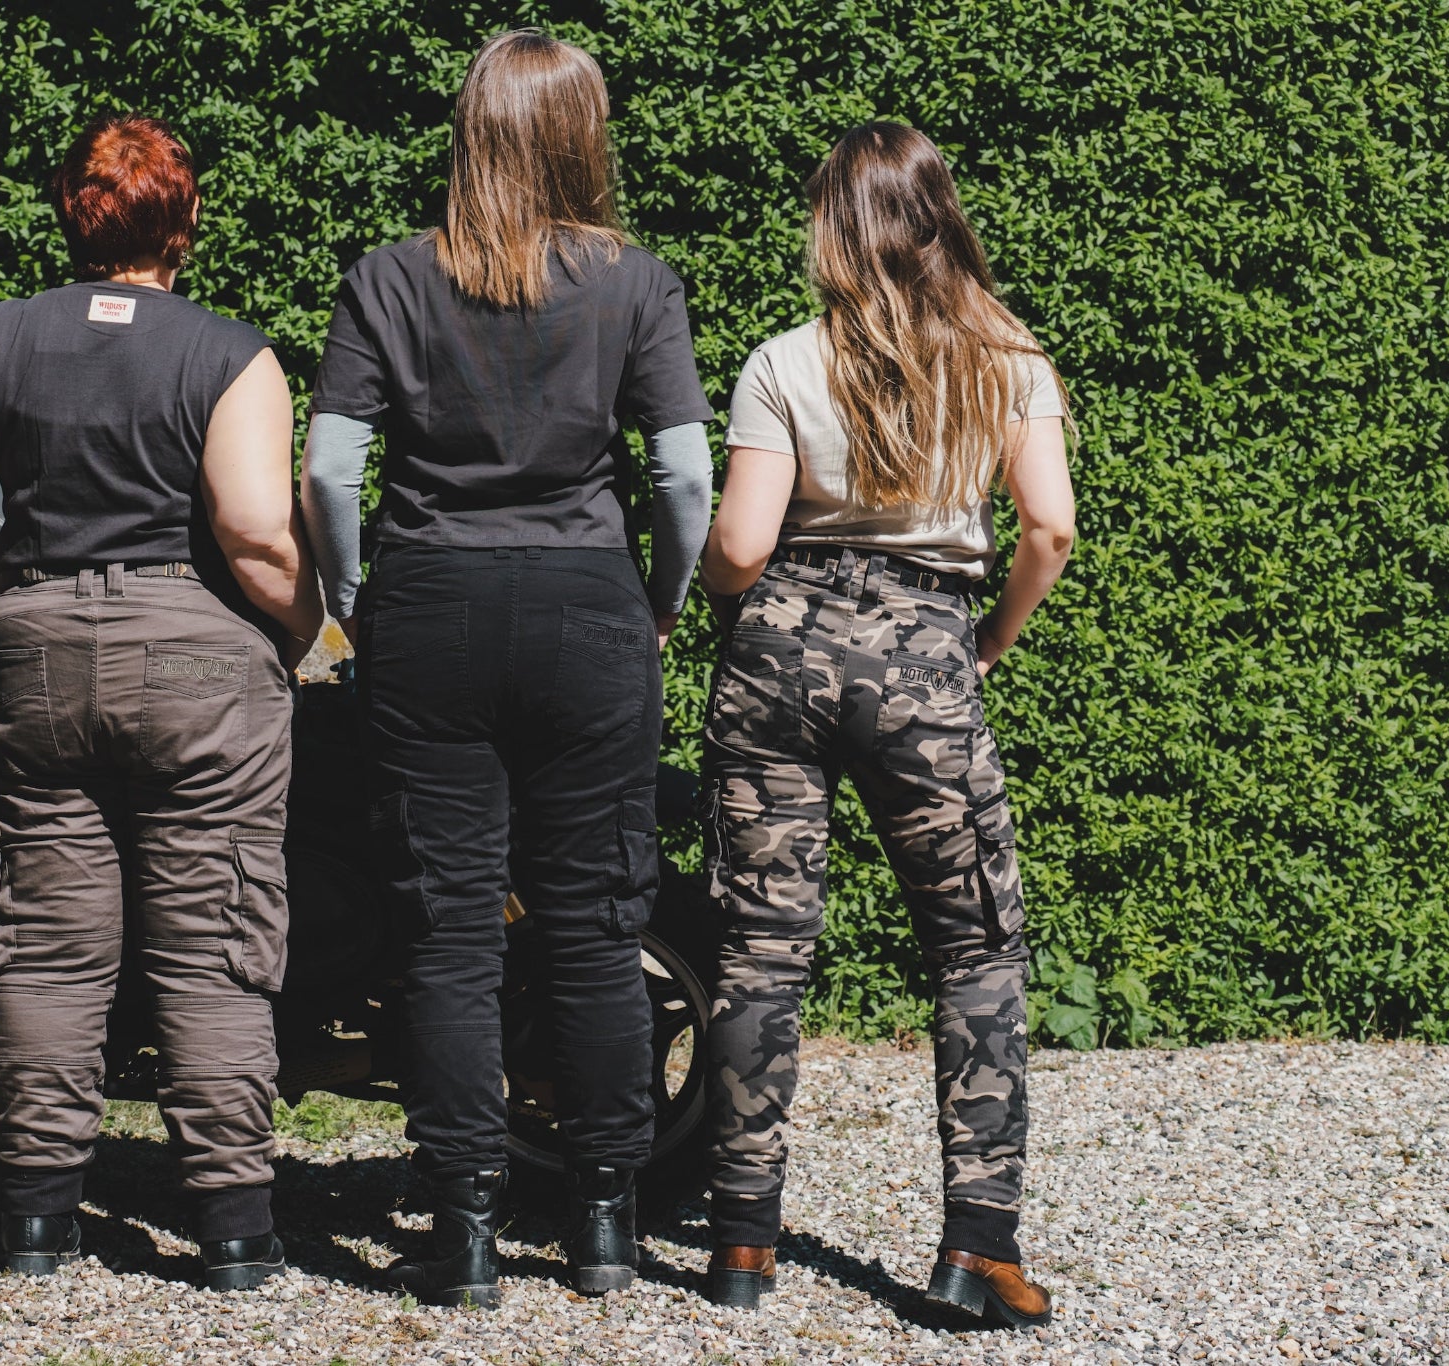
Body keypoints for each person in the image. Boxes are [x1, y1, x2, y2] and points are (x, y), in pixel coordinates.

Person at [302, 30, 714, 1306]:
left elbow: (326, 470)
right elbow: (684, 478)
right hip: (590, 612)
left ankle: (465, 1226)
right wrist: (654, 601)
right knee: (596, 927)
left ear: (470, 133)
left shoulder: (388, 277)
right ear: (582, 136)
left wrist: (355, 600)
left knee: (444, 928)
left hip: (429, 610)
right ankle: (600, 1224)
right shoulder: (636, 284)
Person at [0, 114, 323, 1285]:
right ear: (181, 222)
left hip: (36, 648)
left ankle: (36, 1219)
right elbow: (253, 533)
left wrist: (3, 638)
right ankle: (235, 1229)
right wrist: (300, 631)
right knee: (213, 943)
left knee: (44, 946)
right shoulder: (230, 353)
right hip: (199, 665)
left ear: (71, 216)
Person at [697, 121, 1076, 1327]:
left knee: (759, 951)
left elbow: (741, 547)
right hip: (925, 646)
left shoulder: (779, 360)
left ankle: (740, 1248)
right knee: (973, 950)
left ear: (835, 230)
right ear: (939, 216)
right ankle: (975, 1253)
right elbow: (1048, 530)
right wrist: (983, 643)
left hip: (778, 649)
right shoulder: (1005, 358)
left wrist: (713, 589)